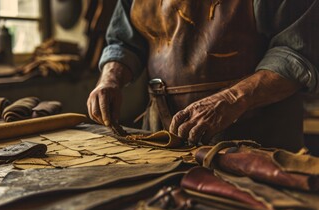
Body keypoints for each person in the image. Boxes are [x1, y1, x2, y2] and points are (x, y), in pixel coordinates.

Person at [87, 0, 319, 151]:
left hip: (255, 140)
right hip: (160, 133)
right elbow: (124, 40)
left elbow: (296, 55)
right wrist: (110, 79)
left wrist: (230, 100)